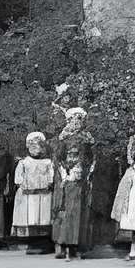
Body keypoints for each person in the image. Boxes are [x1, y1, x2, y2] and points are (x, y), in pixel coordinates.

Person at [52, 106, 95, 260]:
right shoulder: (64, 138)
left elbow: (91, 158)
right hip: (68, 177)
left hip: (83, 178)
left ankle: (78, 245)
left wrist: (89, 173)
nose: (76, 122)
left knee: (81, 212)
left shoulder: (87, 138)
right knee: (67, 211)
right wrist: (65, 174)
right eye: (74, 119)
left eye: (79, 119)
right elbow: (58, 158)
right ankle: (64, 244)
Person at [11, 131, 55, 254]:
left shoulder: (48, 162)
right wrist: (24, 185)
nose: (36, 149)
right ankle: (30, 243)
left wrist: (47, 184)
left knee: (42, 218)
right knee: (29, 217)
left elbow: (51, 177)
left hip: (43, 195)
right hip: (27, 196)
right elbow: (18, 178)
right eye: (32, 146)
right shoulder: (24, 162)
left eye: (38, 146)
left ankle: (43, 243)